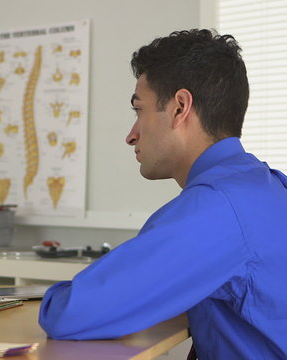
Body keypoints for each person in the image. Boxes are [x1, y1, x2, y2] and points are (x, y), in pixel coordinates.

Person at [39, 29, 287, 359]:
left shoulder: (217, 209)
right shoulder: (266, 186)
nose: (131, 135)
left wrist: (48, 295)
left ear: (179, 107)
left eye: (139, 110)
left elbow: (68, 314)